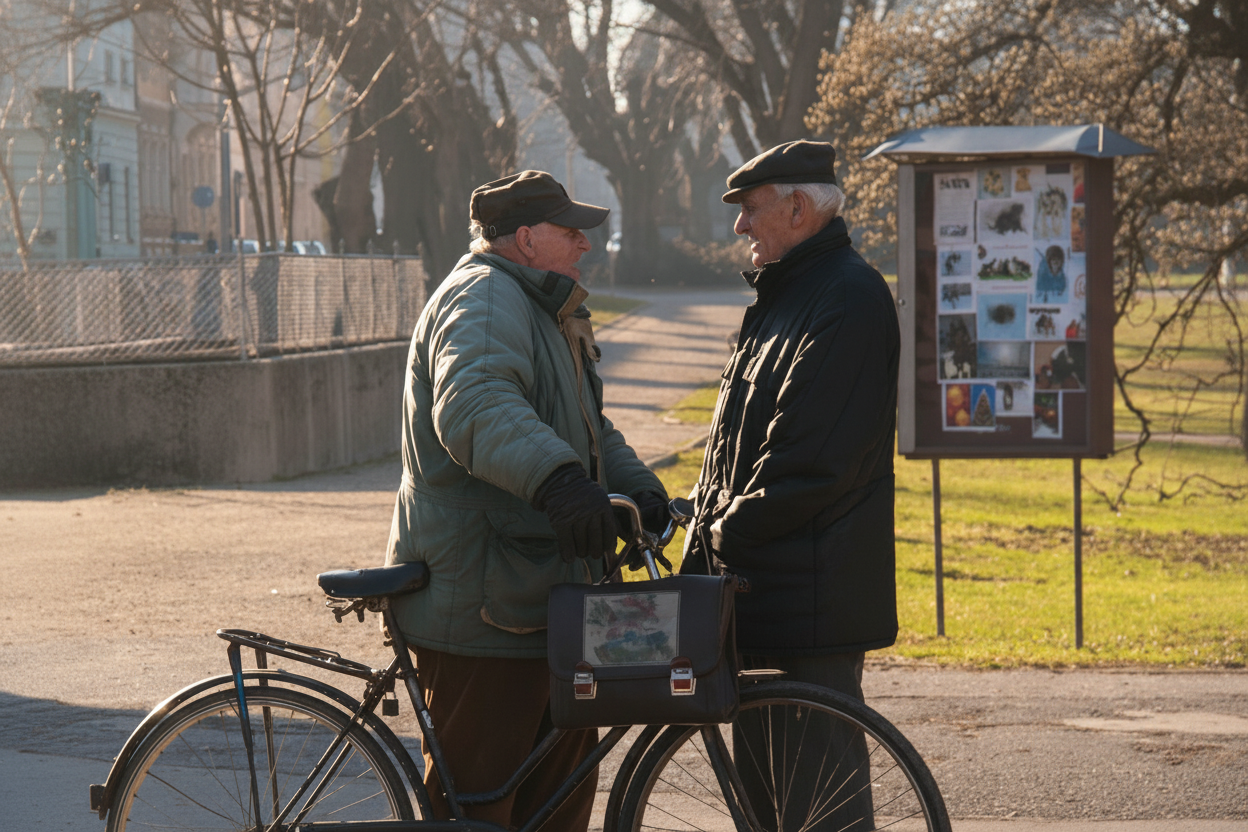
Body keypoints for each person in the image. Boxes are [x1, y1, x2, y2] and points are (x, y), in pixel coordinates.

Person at [383, 170, 668, 831]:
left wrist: (640, 493)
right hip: (484, 607)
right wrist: (561, 483)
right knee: (480, 808)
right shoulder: (484, 300)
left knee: (555, 802)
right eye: (573, 232)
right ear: (528, 239)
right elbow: (477, 408)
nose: (586, 245)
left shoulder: (544, 307)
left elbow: (586, 429)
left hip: (542, 598)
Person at [682, 140, 900, 830]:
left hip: (808, 607)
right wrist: (696, 516)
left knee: (817, 814)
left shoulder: (846, 299)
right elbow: (736, 449)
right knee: (770, 812)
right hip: (764, 597)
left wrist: (717, 532)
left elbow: (808, 465)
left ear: (798, 209)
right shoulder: (788, 297)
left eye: (751, 209)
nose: (740, 227)